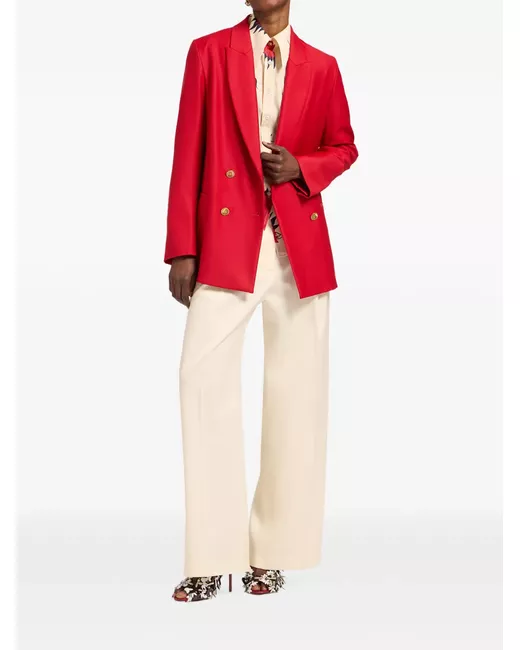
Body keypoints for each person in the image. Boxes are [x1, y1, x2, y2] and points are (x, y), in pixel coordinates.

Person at [165, 0, 358, 602]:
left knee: (297, 401)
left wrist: (302, 166)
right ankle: (210, 556)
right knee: (201, 385)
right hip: (226, 245)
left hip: (297, 250)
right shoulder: (208, 52)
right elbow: (188, 149)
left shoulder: (322, 65)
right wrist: (182, 248)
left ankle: (271, 553)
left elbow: (345, 146)